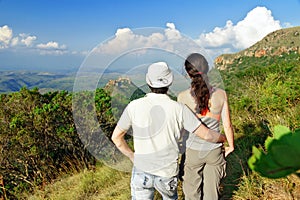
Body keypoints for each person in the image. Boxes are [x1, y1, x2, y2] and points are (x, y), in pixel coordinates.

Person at [111, 61, 226, 200]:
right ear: (169, 83)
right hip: (167, 173)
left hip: (142, 170)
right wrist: (223, 138)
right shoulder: (179, 109)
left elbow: (116, 138)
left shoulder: (133, 106)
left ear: (148, 82)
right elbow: (207, 135)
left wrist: (132, 156)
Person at [177, 53, 235, 200]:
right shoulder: (221, 94)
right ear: (207, 69)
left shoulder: (182, 97)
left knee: (191, 193)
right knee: (212, 194)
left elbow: (181, 129)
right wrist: (231, 145)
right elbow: (227, 125)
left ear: (188, 73)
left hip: (192, 151)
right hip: (215, 149)